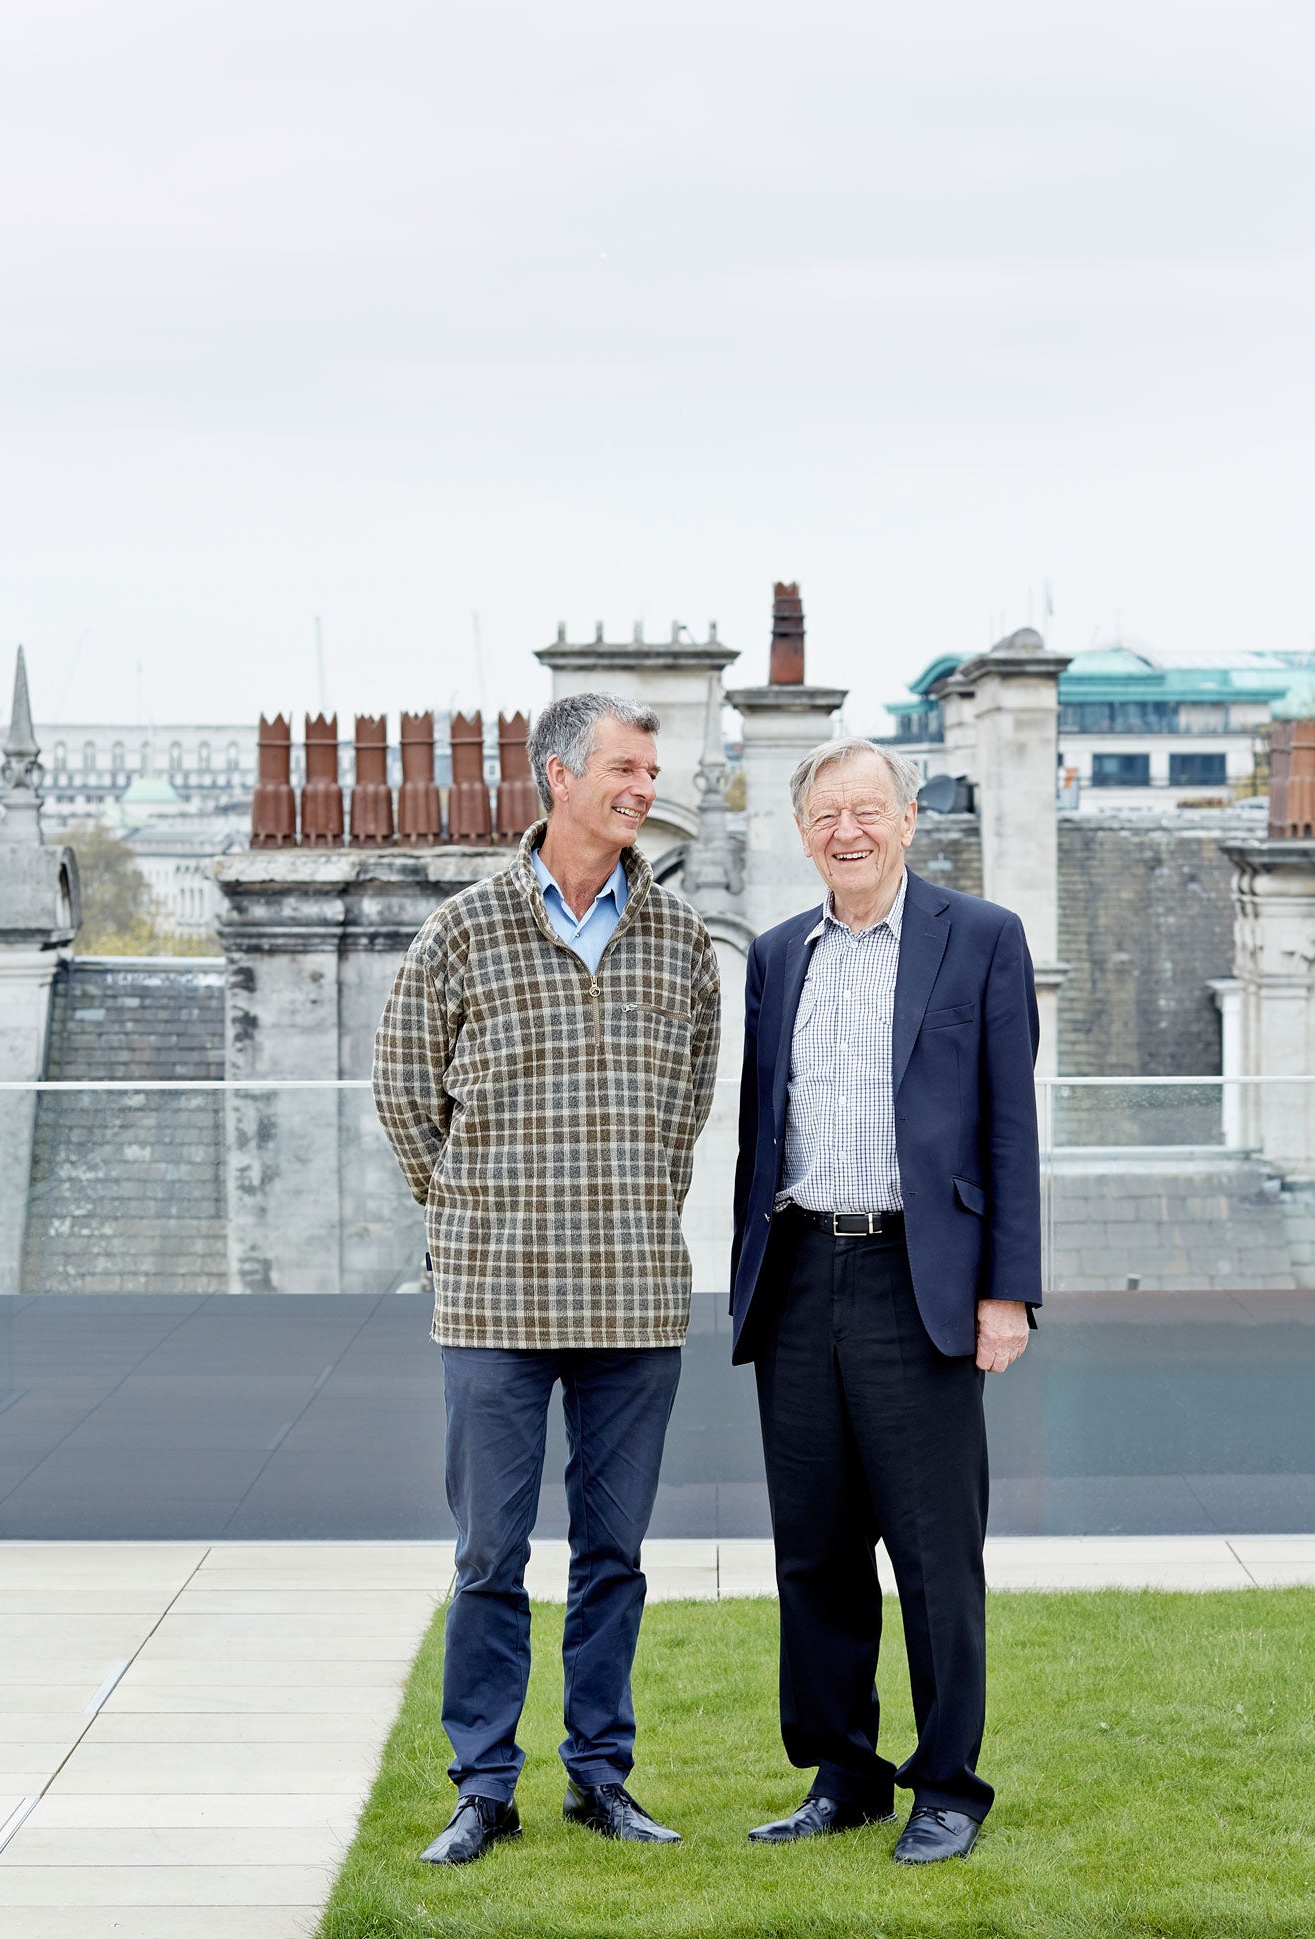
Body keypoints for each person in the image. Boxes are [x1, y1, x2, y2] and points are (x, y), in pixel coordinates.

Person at [374, 691, 721, 1865]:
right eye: (626, 765)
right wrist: (473, 1213)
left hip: (633, 1296)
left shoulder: (678, 939)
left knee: (615, 1556)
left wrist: (628, 1203)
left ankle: (599, 1777)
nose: (645, 784)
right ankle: (482, 1785)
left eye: (651, 767)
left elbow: (687, 1108)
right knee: (489, 1558)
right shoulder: (462, 930)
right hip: (492, 1302)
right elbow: (404, 1092)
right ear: (558, 777)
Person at [731, 737, 1041, 1865]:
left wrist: (1006, 1289)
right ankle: (843, 1772)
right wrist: (749, 1286)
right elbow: (766, 1131)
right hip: (803, 1273)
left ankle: (948, 1783)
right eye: (826, 813)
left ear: (909, 821)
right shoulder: (777, 955)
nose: (847, 830)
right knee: (813, 1546)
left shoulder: (983, 940)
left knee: (932, 1547)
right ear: (803, 831)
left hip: (926, 1281)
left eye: (868, 809)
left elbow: (1011, 1127)